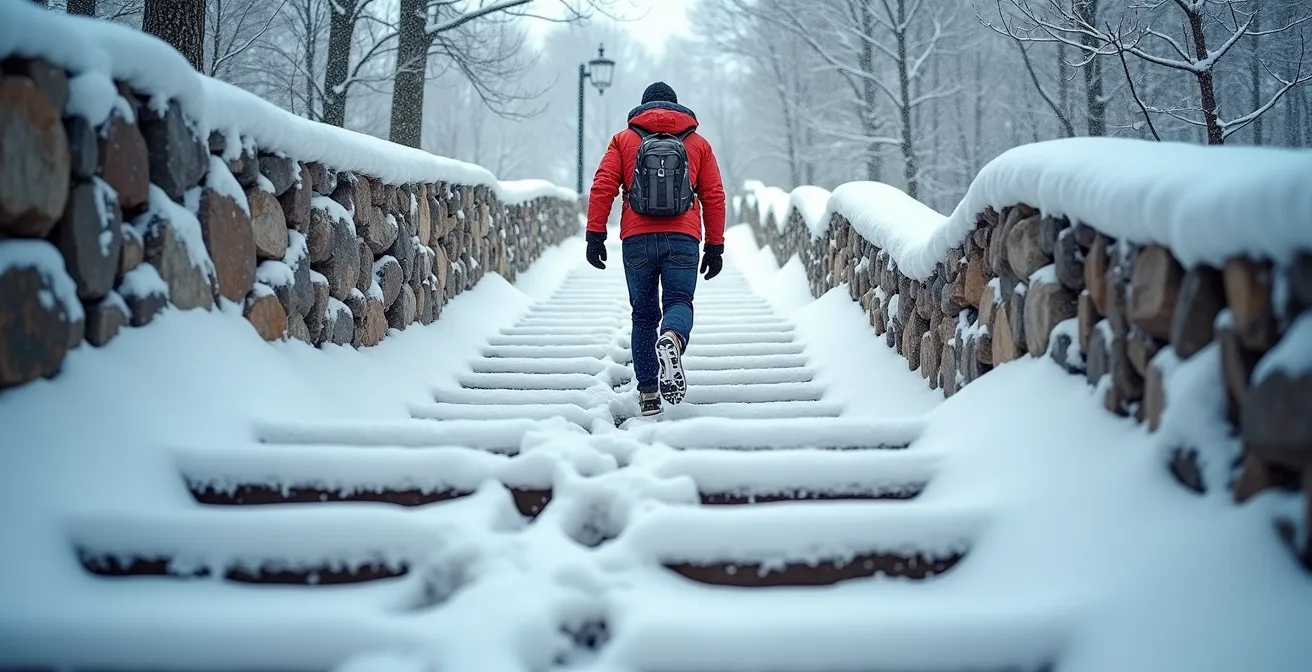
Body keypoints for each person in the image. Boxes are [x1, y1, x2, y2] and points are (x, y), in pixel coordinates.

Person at [584, 81, 727, 418]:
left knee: (644, 315)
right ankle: (673, 339)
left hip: (637, 240)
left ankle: (648, 394)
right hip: (683, 237)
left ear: (643, 107)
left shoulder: (624, 140)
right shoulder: (698, 143)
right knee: (679, 301)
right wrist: (715, 245)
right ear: (677, 108)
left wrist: (595, 234)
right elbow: (714, 195)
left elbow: (603, 186)